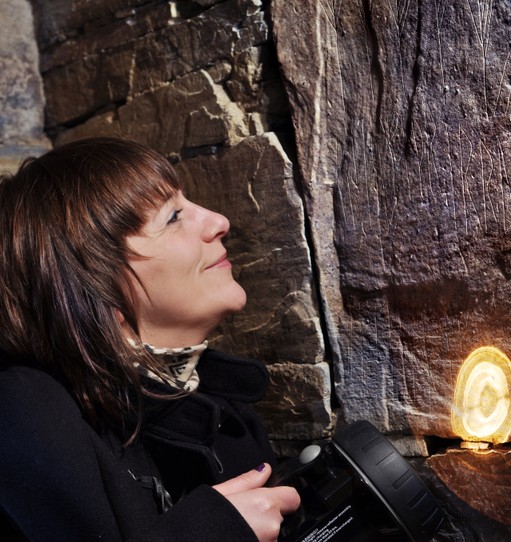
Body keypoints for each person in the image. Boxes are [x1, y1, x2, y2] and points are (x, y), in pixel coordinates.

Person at [0, 138, 300, 541]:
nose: (218, 220)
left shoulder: (229, 419)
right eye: (174, 216)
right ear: (94, 285)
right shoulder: (26, 416)